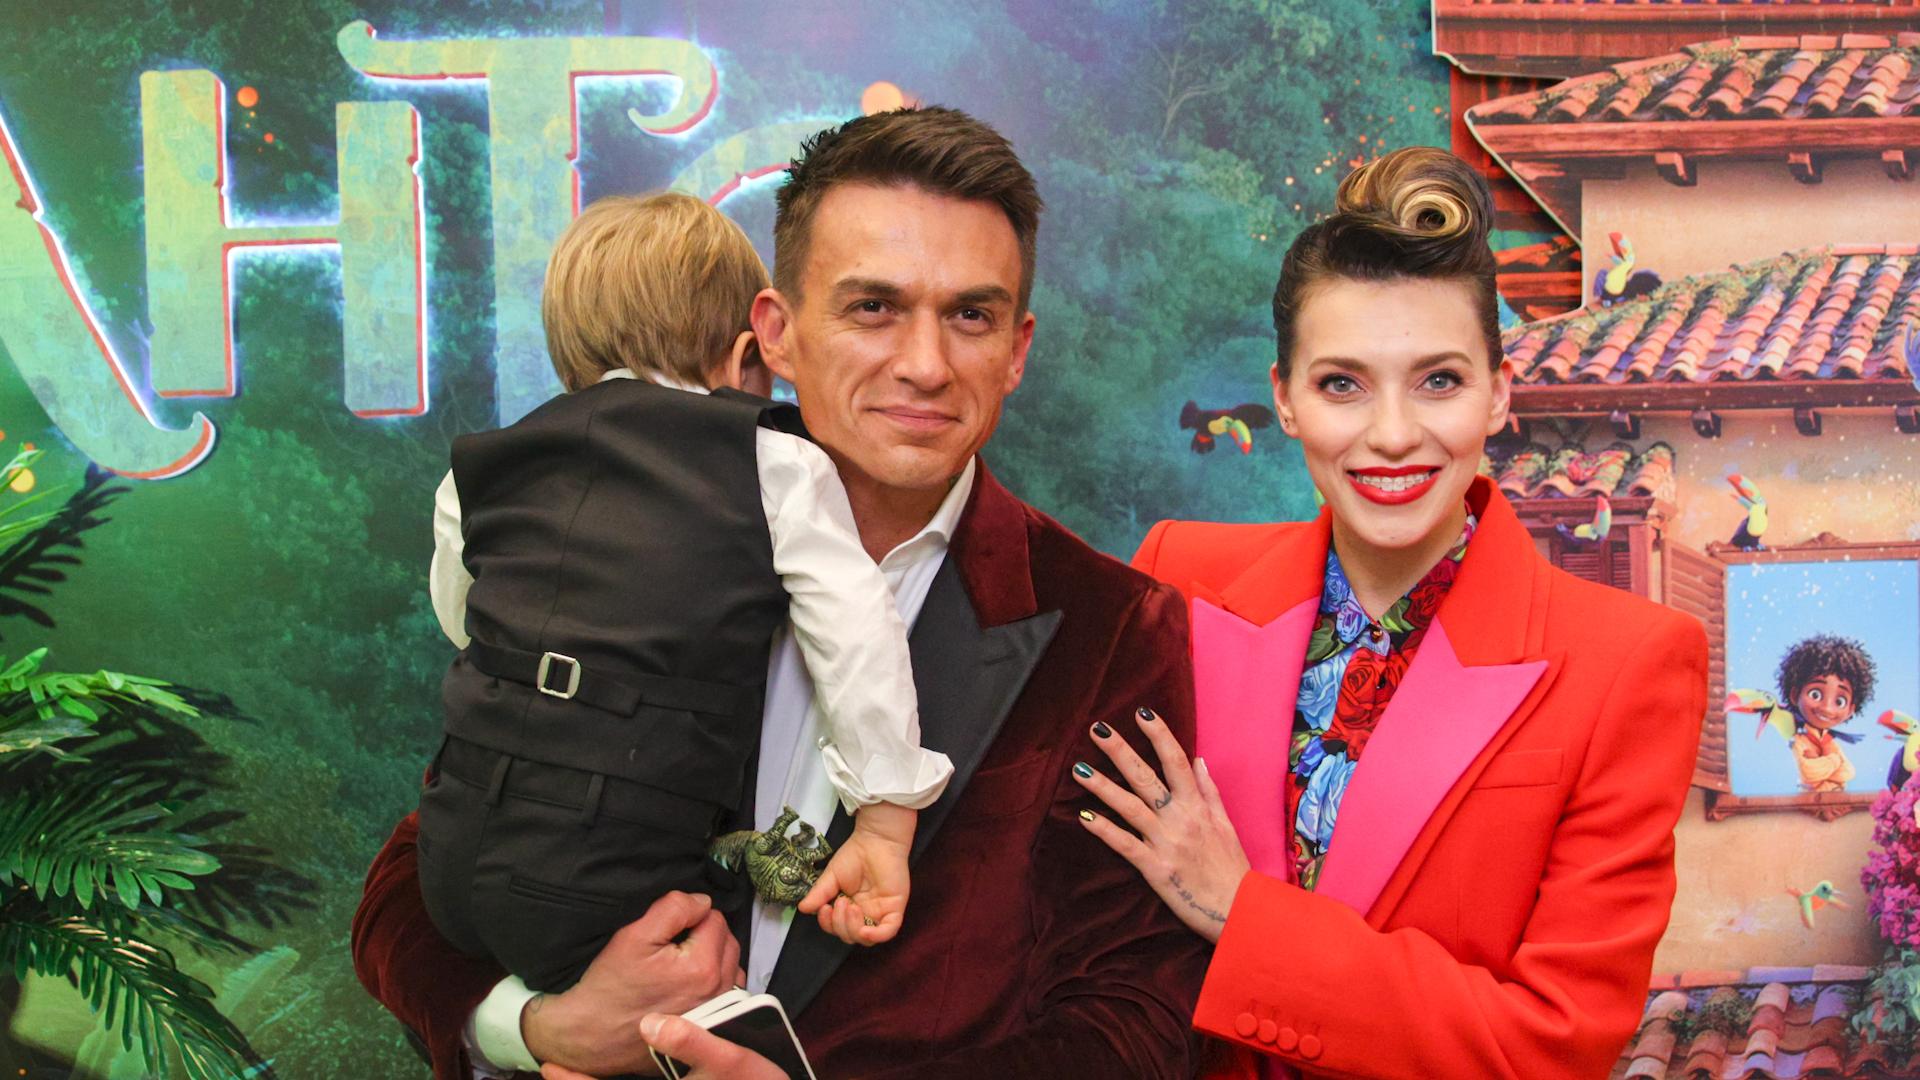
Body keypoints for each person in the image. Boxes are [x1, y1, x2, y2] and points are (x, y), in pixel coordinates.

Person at [353, 107, 1210, 1079]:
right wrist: (538, 1028)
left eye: (970, 315)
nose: (924, 365)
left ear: (1017, 349)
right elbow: (413, 883)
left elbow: (1136, 1019)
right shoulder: (614, 540)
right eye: (873, 307)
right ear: (776, 334)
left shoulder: (1111, 628)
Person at [1074, 146, 1709, 1079]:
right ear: (1285, 398)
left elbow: (1552, 1046)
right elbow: (1075, 917)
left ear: (1500, 391)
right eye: (1343, 383)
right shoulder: (1180, 581)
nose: (1394, 434)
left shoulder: (1627, 662)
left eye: (1439, 380)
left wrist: (1242, 914)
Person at [418, 191, 955, 1000]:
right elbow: (857, 633)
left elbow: (463, 615)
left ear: (568, 353)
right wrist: (883, 816)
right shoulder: (772, 461)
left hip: (449, 850)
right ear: (745, 355)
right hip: (610, 871)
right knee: (685, 997)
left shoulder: (485, 461)